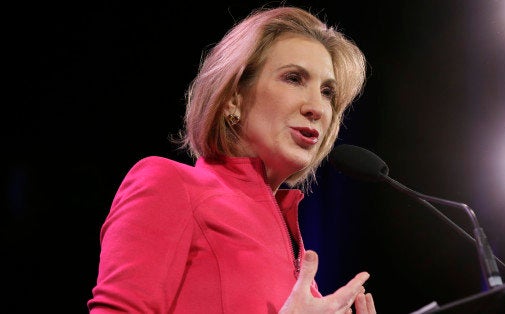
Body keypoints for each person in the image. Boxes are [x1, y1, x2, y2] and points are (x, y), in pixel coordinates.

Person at [87, 5, 376, 314]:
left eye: (328, 92)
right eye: (293, 78)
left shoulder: (295, 251)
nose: (316, 107)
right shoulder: (169, 185)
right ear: (232, 99)